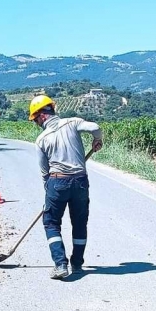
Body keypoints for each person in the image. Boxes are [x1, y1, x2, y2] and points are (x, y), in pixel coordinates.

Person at [28, 95, 103, 279]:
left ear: (42, 115)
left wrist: (50, 189)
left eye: (35, 119)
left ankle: (60, 264)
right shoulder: (72, 123)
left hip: (57, 180)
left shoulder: (41, 139)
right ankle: (77, 264)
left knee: (51, 222)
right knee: (79, 223)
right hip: (80, 181)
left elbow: (44, 171)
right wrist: (97, 140)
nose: (36, 123)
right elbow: (95, 127)